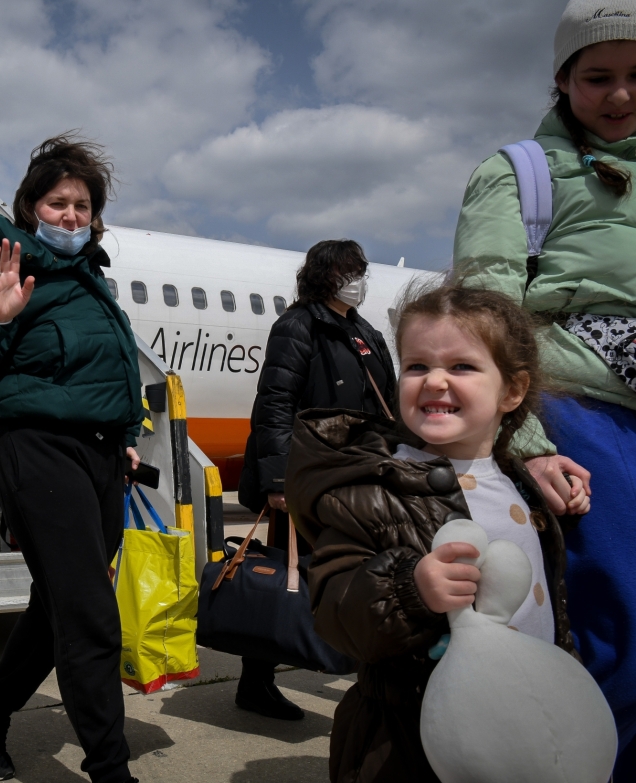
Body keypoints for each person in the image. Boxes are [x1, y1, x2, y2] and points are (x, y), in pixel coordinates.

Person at [286, 281, 584, 781]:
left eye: (462, 366)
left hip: (522, 729)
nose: (435, 381)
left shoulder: (521, 484)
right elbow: (336, 614)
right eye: (417, 366)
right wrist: (410, 590)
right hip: (410, 741)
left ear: (512, 390)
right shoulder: (374, 488)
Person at [452, 0, 636, 775]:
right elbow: (490, 320)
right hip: (580, 411)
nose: (620, 94)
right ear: (562, 81)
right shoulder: (519, 173)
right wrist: (523, 440)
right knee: (617, 622)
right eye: (597, 76)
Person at [0, 135, 144, 783]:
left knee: (58, 606)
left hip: (103, 454)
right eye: (58, 203)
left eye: (82, 204)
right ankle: (112, 770)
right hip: (35, 446)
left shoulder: (91, 280)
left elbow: (111, 370)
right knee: (88, 611)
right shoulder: (4, 264)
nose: (72, 215)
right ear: (31, 206)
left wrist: (126, 432)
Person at [234, 239, 393, 720]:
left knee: (361, 576)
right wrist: (278, 480)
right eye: (349, 270)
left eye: (361, 270)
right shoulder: (298, 326)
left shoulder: (363, 331)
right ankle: (255, 682)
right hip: (309, 478)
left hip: (358, 475)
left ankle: (366, 677)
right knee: (286, 576)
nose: (358, 279)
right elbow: (274, 405)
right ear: (324, 274)